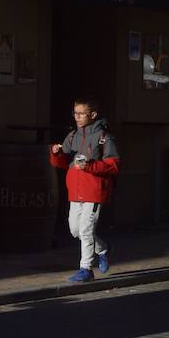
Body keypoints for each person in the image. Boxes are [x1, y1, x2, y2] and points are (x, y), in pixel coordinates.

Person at [50, 98, 120, 282]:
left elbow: (113, 166)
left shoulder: (104, 137)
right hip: (75, 191)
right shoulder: (73, 136)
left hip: (94, 191)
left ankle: (86, 269)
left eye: (81, 114)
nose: (77, 117)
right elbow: (64, 162)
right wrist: (56, 153)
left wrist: (89, 166)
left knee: (86, 230)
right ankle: (103, 249)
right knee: (75, 230)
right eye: (75, 113)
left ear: (93, 115)